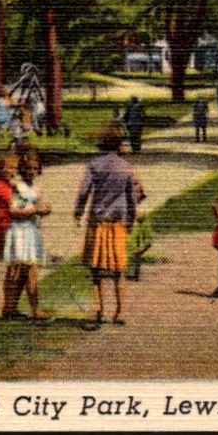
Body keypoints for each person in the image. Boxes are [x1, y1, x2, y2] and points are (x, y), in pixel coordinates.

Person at [73, 123, 142, 327]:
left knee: (96, 268)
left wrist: (78, 212)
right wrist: (131, 220)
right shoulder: (126, 168)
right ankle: (120, 310)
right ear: (119, 144)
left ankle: (98, 309)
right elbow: (132, 198)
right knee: (118, 268)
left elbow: (84, 192)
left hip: (97, 222)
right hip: (117, 222)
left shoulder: (94, 165)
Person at [1, 148, 52, 320]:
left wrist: (43, 210)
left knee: (29, 271)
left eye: (35, 168)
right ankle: (11, 307)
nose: (31, 171)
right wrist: (34, 209)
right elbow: (13, 210)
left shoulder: (36, 187)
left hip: (32, 230)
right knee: (16, 272)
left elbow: (35, 207)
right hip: (19, 230)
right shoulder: (17, 186)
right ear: (23, 167)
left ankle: (29, 309)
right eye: (28, 168)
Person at [0, 152, 18, 257]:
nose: (13, 171)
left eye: (15, 169)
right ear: (1, 170)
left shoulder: (9, 183)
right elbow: (11, 200)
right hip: (6, 219)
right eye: (10, 168)